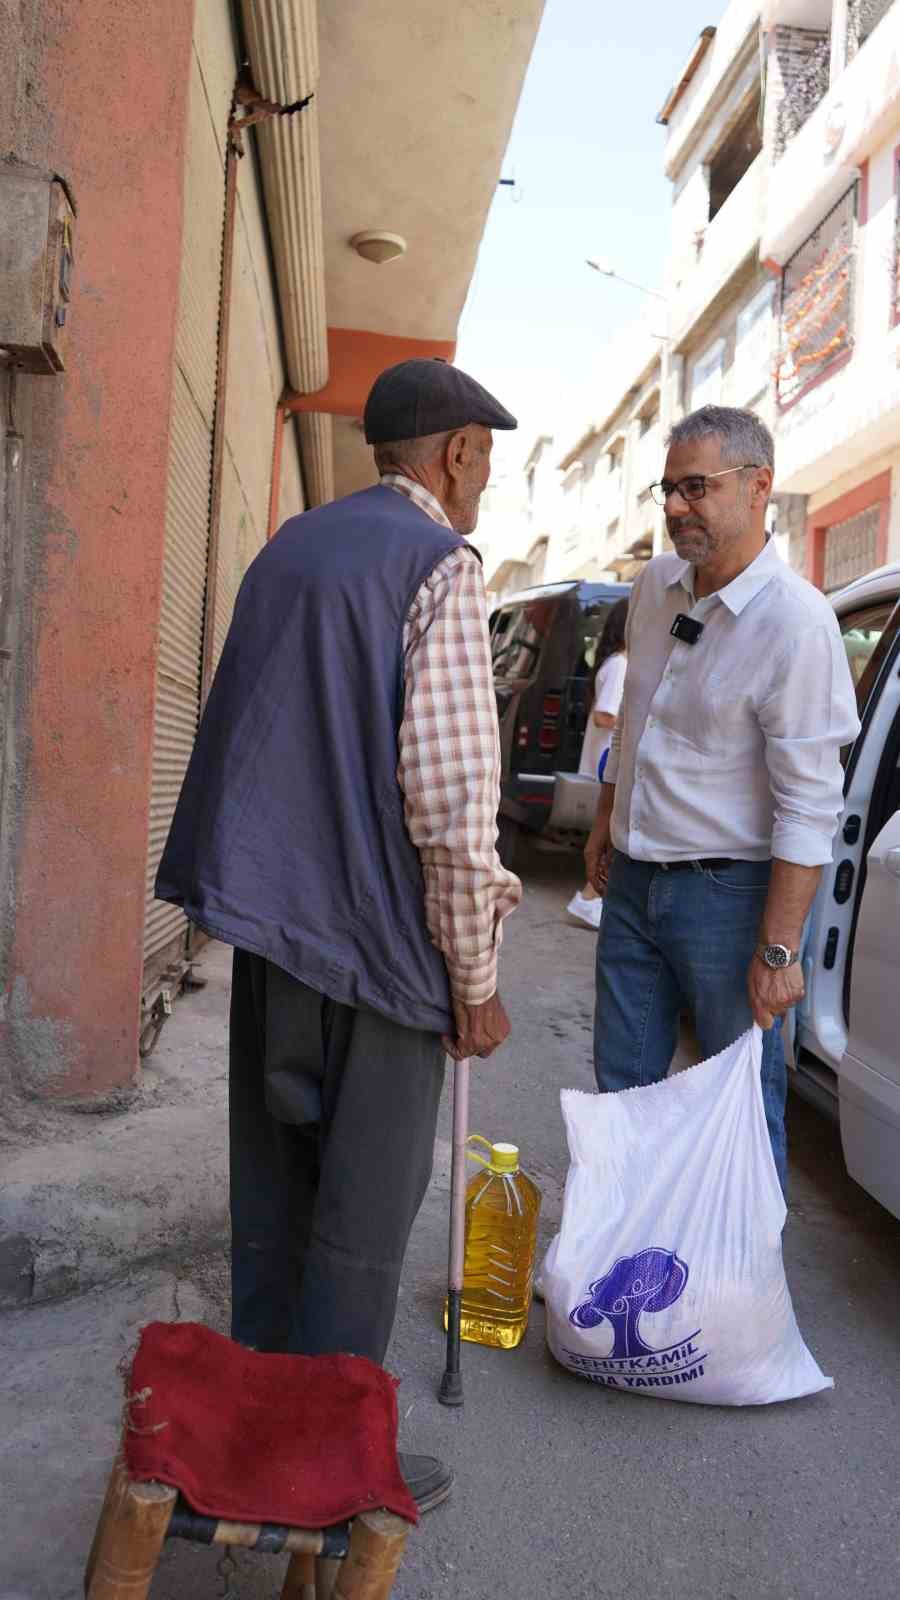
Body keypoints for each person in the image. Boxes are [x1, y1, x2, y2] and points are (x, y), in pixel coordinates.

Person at [155, 358, 522, 1512]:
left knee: (273, 1211)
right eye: (485, 463)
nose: (485, 487)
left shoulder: (291, 550)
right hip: (381, 955)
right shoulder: (439, 566)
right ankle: (329, 1470)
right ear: (456, 454)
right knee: (360, 1232)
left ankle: (246, 1451)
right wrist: (478, 977)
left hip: (275, 944)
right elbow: (454, 805)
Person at [584, 405, 859, 1189]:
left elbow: (810, 807)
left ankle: (743, 1296)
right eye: (667, 489)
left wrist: (778, 952)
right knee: (622, 1098)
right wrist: (606, 821)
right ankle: (616, 1281)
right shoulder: (656, 585)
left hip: (731, 902)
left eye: (695, 488)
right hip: (634, 887)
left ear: (758, 487)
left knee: (736, 1106)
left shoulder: (796, 625)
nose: (675, 507)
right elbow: (635, 714)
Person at [567, 597, 629, 929]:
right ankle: (587, 898)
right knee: (609, 839)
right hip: (608, 766)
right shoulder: (620, 665)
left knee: (609, 838)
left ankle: (590, 898)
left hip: (605, 765)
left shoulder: (613, 663)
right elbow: (605, 715)